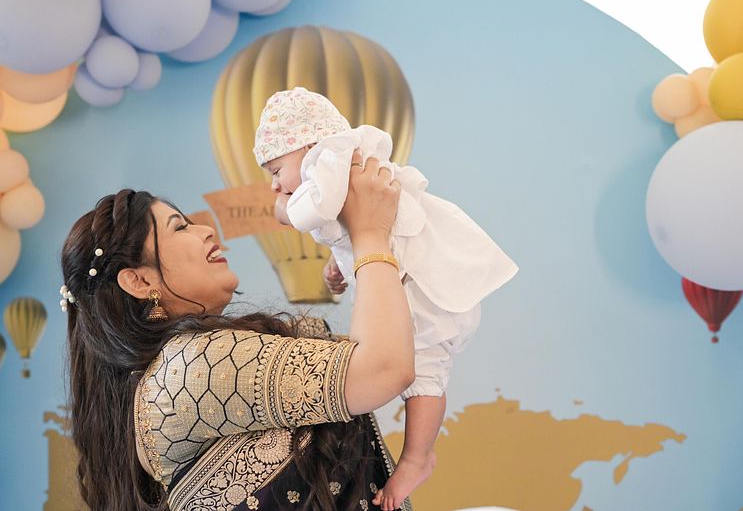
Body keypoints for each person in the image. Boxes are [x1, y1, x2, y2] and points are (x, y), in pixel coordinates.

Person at [60, 152, 416, 510]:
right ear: (139, 281)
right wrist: (369, 233)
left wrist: (347, 248)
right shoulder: (191, 366)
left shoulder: (183, 367)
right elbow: (384, 367)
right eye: (179, 228)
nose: (205, 230)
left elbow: (379, 350)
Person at [255, 87, 519, 509]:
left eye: (275, 169)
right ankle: (418, 455)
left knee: (424, 375)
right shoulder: (341, 166)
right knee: (424, 375)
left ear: (305, 145)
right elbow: (353, 228)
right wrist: (338, 264)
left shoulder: (330, 157)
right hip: (422, 286)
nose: (274, 185)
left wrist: (282, 211)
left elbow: (312, 210)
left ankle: (417, 457)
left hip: (425, 293)